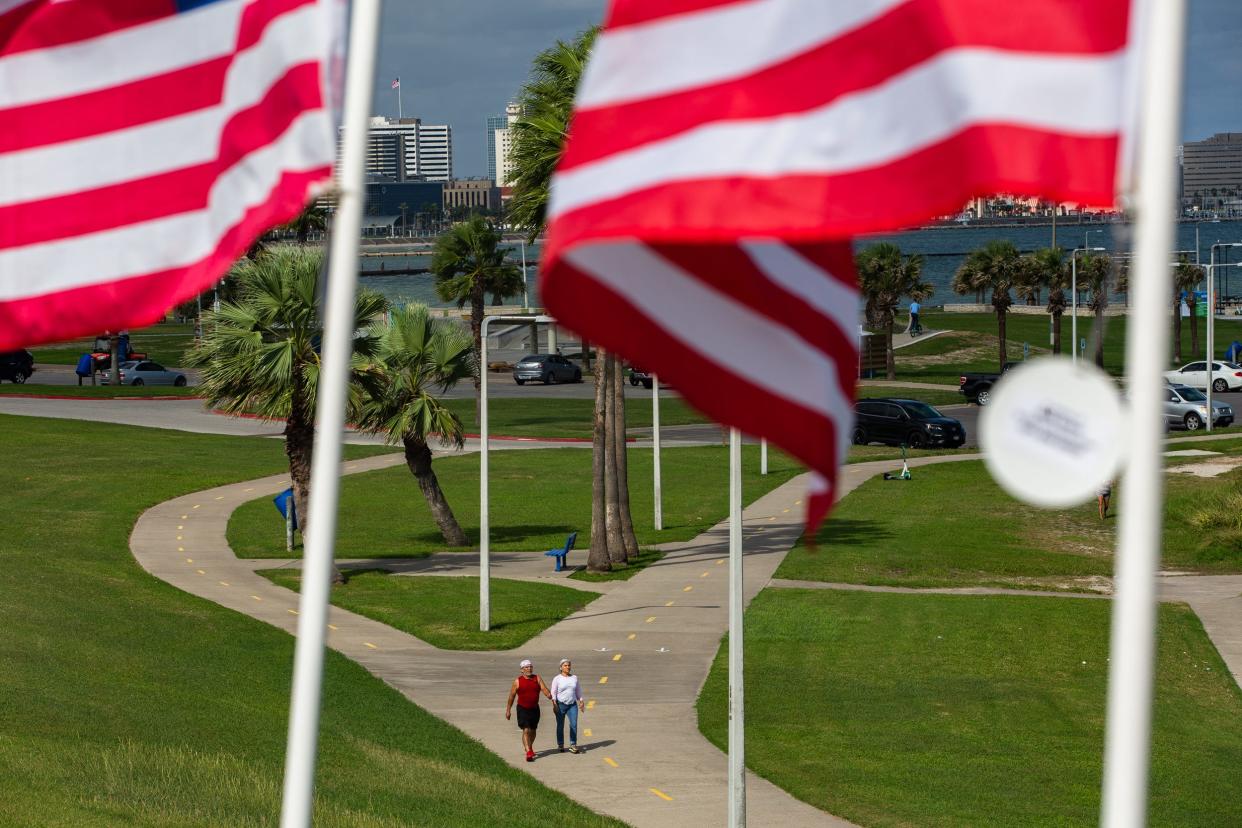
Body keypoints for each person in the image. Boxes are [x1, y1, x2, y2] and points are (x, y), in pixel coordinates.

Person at [505, 659, 551, 762]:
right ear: (522, 670)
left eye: (530, 667)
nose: (529, 669)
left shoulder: (537, 678)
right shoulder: (517, 681)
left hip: (534, 709)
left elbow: (544, 689)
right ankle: (528, 751)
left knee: (533, 730)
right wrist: (508, 710)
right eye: (526, 667)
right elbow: (511, 697)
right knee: (526, 730)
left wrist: (549, 695)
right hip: (522, 709)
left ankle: (529, 747)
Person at [548, 658, 585, 754]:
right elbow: (553, 692)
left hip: (572, 705)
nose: (568, 667)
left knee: (574, 725)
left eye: (569, 665)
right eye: (565, 665)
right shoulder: (557, 678)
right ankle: (560, 744)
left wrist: (581, 700)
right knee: (560, 725)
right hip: (560, 705)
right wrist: (554, 704)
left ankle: (573, 745)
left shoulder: (574, 678)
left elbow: (578, 690)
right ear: (561, 667)